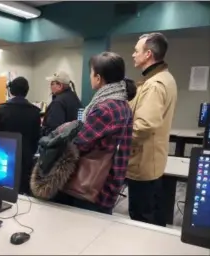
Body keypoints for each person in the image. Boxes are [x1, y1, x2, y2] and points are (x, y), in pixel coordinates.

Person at [54, 52, 136, 214]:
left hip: (92, 187)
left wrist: (64, 130)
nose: (90, 77)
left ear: (98, 78)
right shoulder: (122, 104)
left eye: (91, 73)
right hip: (108, 181)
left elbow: (79, 142)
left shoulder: (104, 108)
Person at [127, 32, 177, 226]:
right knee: (153, 214)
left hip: (143, 162)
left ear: (148, 54)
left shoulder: (154, 85)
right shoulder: (165, 78)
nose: (133, 54)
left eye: (136, 50)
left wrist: (120, 141)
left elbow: (144, 126)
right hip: (152, 160)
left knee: (141, 218)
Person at [0, 76, 41, 195]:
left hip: (4, 157)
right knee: (23, 192)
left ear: (11, 90)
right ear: (27, 90)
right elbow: (36, 138)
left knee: (4, 189)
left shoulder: (2, 109)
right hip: (26, 158)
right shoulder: (35, 111)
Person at [42, 70, 82, 136]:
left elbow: (53, 130)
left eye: (52, 84)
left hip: (60, 143)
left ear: (60, 86)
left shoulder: (58, 102)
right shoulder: (74, 97)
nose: (50, 87)